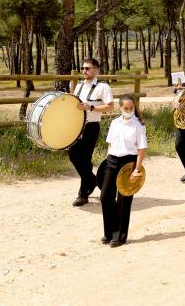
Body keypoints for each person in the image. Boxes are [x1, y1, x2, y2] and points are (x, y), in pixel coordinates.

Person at [98, 93, 146, 247]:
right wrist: (107, 162)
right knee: (105, 196)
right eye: (126, 108)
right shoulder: (114, 123)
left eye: (131, 108)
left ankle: (119, 236)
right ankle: (109, 231)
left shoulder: (139, 125)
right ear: (120, 107)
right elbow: (110, 144)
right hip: (112, 161)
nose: (129, 110)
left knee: (123, 201)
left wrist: (137, 170)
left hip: (128, 163)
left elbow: (141, 149)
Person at [69, 58, 114, 207]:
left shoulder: (103, 87)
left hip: (91, 127)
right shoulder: (79, 86)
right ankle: (92, 180)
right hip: (77, 127)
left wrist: (91, 108)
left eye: (87, 68)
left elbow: (110, 107)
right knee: (73, 155)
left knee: (85, 159)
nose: (84, 71)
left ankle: (83, 194)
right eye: (83, 68)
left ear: (96, 70)